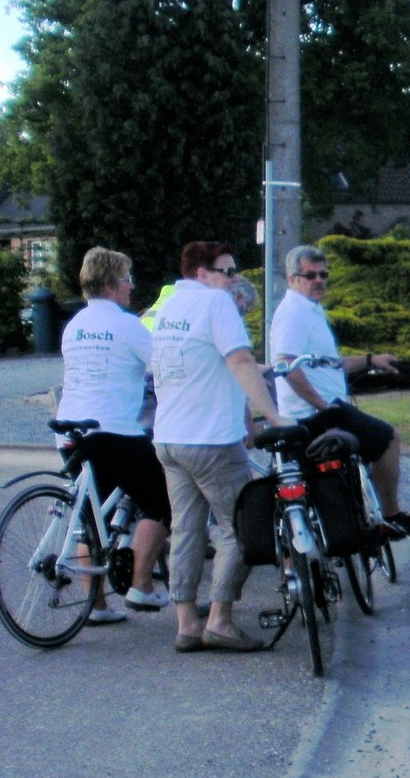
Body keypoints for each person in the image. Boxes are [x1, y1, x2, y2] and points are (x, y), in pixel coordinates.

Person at [150, 241, 296, 652]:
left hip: (169, 437)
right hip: (211, 439)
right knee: (242, 527)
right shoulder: (217, 304)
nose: (234, 280)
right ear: (202, 273)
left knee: (186, 530)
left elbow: (201, 363)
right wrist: (273, 415)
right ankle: (220, 620)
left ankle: (186, 625)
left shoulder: (170, 308)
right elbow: (238, 361)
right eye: (227, 272)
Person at [270, 244, 410, 538]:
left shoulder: (309, 309)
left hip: (325, 408)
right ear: (292, 279)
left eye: (323, 275)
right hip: (316, 413)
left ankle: (364, 518)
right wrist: (321, 405)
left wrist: (371, 360)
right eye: (311, 275)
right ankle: (391, 515)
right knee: (388, 439)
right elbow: (287, 366)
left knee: (351, 465)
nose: (319, 281)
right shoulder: (293, 313)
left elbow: (332, 363)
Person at [55, 246, 169, 623]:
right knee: (160, 500)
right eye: (126, 279)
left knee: (91, 518)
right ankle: (141, 586)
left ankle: (96, 607)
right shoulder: (127, 325)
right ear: (109, 284)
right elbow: (164, 367)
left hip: (70, 426)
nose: (131, 286)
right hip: (113, 429)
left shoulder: (74, 325)